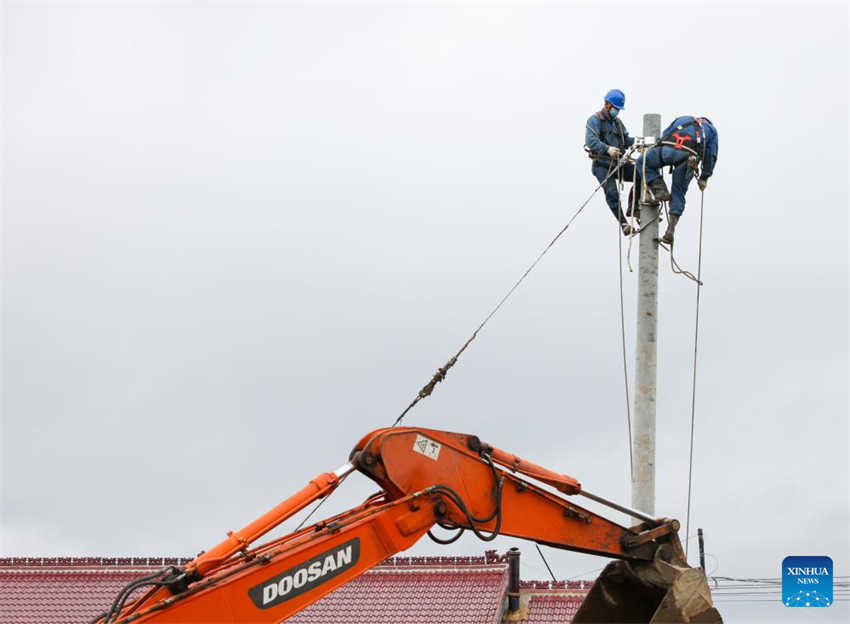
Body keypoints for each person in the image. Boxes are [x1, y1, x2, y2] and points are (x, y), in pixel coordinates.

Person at [634, 116, 718, 244]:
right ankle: (670, 231)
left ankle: (659, 189)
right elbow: (711, 155)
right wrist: (704, 177)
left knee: (642, 162)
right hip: (688, 158)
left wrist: (652, 150)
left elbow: (665, 135)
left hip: (666, 150)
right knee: (678, 193)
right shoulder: (711, 130)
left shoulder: (682, 119)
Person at [584, 89, 636, 235]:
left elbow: (626, 140)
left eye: (618, 109)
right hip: (602, 164)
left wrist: (639, 142)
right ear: (607, 104)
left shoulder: (618, 123)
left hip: (619, 163)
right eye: (615, 108)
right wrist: (607, 149)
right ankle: (624, 223)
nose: (617, 112)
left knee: (641, 173)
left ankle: (635, 208)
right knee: (612, 192)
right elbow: (591, 141)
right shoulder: (595, 120)